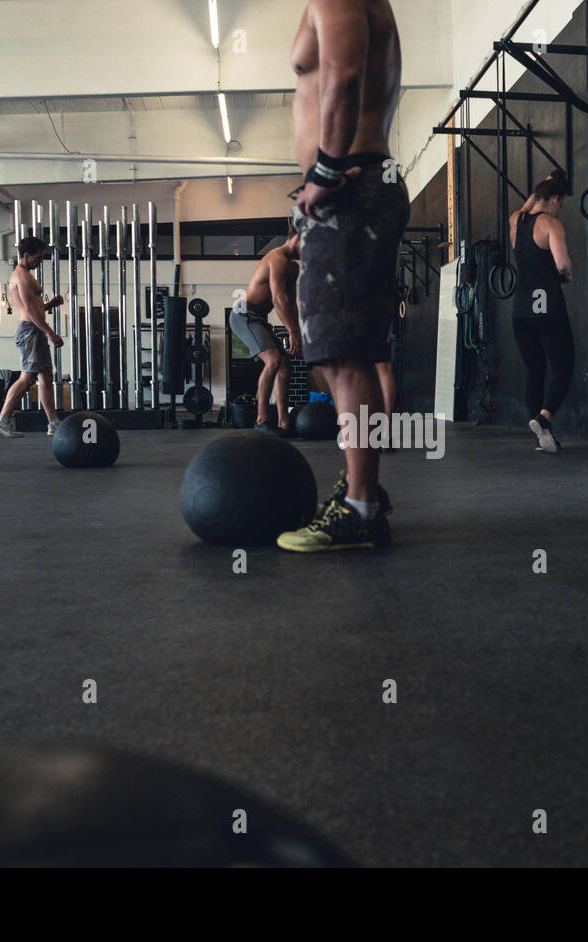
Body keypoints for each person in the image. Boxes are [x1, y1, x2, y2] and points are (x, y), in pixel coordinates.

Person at [277, 0, 408, 553]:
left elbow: (344, 72)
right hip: (350, 187)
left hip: (347, 184)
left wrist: (325, 171)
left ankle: (360, 508)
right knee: (344, 353)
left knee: (341, 356)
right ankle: (363, 490)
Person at [509, 169, 575, 453]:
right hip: (547, 306)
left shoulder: (516, 221)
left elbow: (526, 207)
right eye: (561, 203)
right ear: (556, 198)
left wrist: (542, 186)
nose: (560, 209)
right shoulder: (551, 225)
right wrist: (565, 276)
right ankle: (544, 417)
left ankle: (542, 438)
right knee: (564, 367)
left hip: (521, 310)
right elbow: (563, 267)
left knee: (534, 371)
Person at [229, 229, 302, 436]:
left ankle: (283, 423)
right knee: (273, 361)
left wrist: (296, 333)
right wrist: (292, 332)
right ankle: (261, 419)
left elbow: (290, 303)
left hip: (258, 318)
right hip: (244, 315)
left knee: (285, 367)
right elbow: (278, 300)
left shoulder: (293, 268)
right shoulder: (277, 258)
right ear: (297, 238)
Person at [0, 236, 65, 437]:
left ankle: (53, 422)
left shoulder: (26, 275)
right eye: (37, 257)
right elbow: (30, 311)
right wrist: (51, 333)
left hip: (35, 330)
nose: (40, 261)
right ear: (26, 256)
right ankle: (2, 420)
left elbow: (35, 307)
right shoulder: (21, 277)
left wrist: (50, 305)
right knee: (28, 376)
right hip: (30, 331)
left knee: (46, 375)